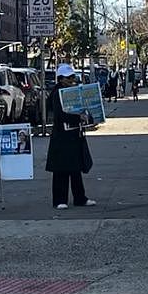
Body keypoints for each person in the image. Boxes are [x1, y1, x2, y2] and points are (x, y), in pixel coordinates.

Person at [45, 63, 96, 209]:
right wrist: (78, 118)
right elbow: (60, 115)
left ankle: (80, 198)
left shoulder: (73, 91)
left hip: (74, 134)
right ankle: (59, 200)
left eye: (72, 77)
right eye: (68, 78)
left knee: (75, 168)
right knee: (61, 169)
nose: (71, 80)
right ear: (60, 79)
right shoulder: (57, 93)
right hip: (61, 137)